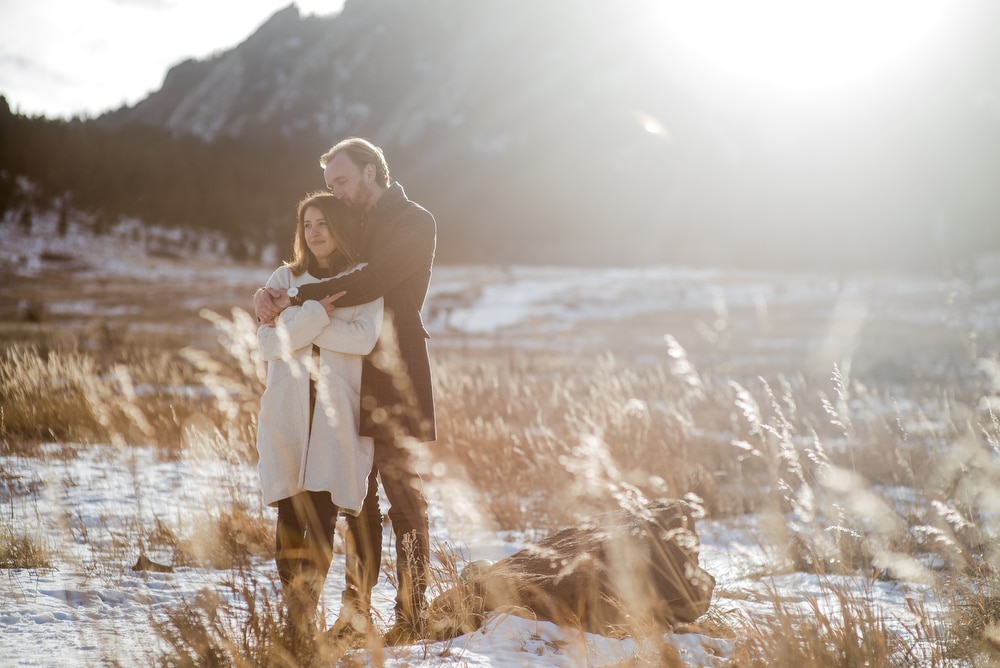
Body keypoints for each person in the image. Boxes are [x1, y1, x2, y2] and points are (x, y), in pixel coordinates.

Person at [255, 137, 437, 645]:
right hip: (347, 371)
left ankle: (412, 610)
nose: (334, 190)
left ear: (370, 172)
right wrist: (271, 293)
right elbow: (315, 257)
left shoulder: (414, 220)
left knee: (403, 495)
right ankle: (356, 612)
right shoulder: (348, 220)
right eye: (331, 184)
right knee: (359, 499)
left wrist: (291, 299)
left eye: (341, 181)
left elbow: (372, 279)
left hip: (394, 370)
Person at [255, 191, 384, 637]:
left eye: (324, 223)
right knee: (290, 521)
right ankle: (299, 624)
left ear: (339, 227)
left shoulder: (361, 279)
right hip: (288, 416)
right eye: (308, 224)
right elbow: (268, 343)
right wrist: (316, 315)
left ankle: (312, 618)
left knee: (323, 519)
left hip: (334, 418)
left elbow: (363, 338)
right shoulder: (284, 277)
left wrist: (304, 326)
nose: (315, 232)